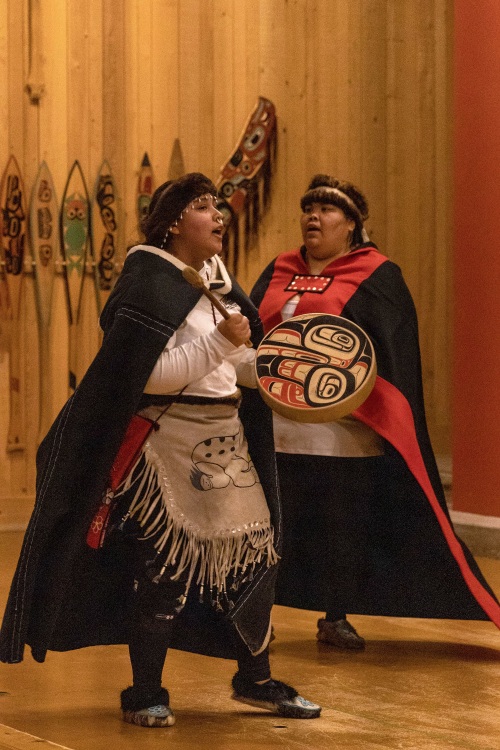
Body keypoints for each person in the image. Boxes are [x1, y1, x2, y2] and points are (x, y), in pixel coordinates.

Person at [0, 173, 321, 726]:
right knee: (166, 570)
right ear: (174, 221)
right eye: (203, 206)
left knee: (255, 561)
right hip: (166, 443)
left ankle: (255, 679)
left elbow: (232, 367)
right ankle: (145, 691)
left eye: (220, 206)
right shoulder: (147, 281)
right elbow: (149, 375)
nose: (219, 214)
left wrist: (273, 367)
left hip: (228, 439)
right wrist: (224, 341)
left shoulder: (218, 281)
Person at [251, 174, 500, 650]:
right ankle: (257, 613)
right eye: (308, 209)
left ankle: (336, 615)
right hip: (276, 426)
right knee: (270, 527)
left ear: (351, 226)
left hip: (347, 431)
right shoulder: (279, 269)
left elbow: (392, 351)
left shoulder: (375, 274)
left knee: (339, 527)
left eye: (326, 210)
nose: (313, 217)